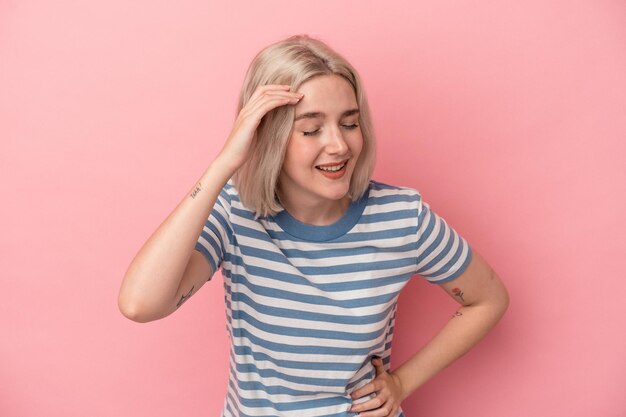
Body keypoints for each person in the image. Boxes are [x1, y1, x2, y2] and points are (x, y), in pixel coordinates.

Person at [118, 35, 509, 417]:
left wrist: (402, 383)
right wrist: (224, 165)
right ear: (268, 138)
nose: (339, 145)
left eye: (350, 123)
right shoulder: (235, 214)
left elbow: (487, 299)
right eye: (311, 129)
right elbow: (140, 305)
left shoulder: (402, 217)